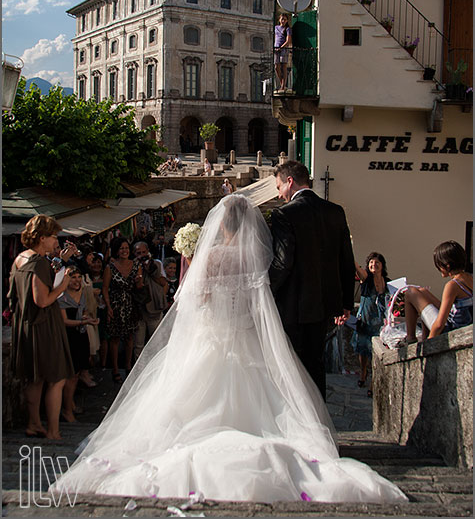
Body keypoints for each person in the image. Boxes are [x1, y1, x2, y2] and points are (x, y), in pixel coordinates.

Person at [51, 195, 407, 505]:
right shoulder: (257, 259)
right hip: (247, 336)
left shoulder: (212, 258)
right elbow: (261, 305)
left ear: (218, 225)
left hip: (211, 336)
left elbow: (195, 302)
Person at [268, 160, 355, 400]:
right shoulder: (335, 211)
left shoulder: (284, 214)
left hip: (293, 304)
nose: (279, 194)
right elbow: (346, 260)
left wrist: (265, 288)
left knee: (292, 365)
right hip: (326, 304)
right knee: (316, 363)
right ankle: (318, 418)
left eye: (278, 187)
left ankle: (298, 422)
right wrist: (346, 302)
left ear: (289, 181)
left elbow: (283, 263)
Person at [7, 214, 75, 440]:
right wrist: (63, 285)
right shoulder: (37, 262)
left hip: (25, 324)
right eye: (54, 236)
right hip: (43, 325)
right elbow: (42, 300)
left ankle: (34, 424)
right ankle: (53, 431)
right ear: (42, 238)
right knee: (57, 378)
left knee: (34, 377)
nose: (56, 240)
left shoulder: (19, 259)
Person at [404, 240, 473, 342]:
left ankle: (410, 338)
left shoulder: (453, 285)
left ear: (447, 265)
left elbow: (440, 324)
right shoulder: (470, 278)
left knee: (410, 292)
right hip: (463, 324)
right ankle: (423, 336)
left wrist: (429, 342)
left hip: (452, 331)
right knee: (423, 291)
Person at [58, 267, 99, 422]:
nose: (76, 280)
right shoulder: (62, 297)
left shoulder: (82, 293)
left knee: (76, 374)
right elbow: (64, 321)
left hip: (81, 335)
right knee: (70, 375)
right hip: (69, 337)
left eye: (78, 277)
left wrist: (88, 319)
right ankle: (67, 409)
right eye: (72, 277)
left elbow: (82, 312)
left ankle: (70, 404)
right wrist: (84, 321)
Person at [102, 237, 141, 383]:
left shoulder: (136, 264)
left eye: (126, 248)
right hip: (116, 304)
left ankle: (128, 366)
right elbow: (105, 288)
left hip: (130, 304)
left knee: (130, 337)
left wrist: (139, 281)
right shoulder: (110, 267)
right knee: (115, 338)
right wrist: (109, 306)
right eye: (121, 248)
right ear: (117, 251)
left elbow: (139, 287)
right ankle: (116, 369)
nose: (124, 251)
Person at [353, 253, 390, 397]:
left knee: (376, 352)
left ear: (382, 265)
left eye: (377, 262)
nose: (374, 265)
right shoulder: (366, 279)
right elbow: (356, 267)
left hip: (379, 321)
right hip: (365, 319)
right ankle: (363, 372)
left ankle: (373, 382)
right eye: (371, 263)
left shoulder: (387, 282)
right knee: (362, 349)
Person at [133, 242, 168, 360]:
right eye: (139, 253)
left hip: (154, 308)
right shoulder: (133, 266)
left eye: (144, 252)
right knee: (138, 344)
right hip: (139, 310)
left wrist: (150, 270)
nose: (142, 255)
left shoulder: (157, 264)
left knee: (157, 341)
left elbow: (163, 282)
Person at [274, 12, 292, 93]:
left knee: (283, 66)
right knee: (276, 67)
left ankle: (283, 85)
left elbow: (288, 41)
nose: (283, 21)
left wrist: (281, 48)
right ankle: (282, 83)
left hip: (283, 49)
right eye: (282, 19)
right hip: (276, 48)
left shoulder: (288, 29)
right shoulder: (276, 28)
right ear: (279, 20)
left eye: (285, 19)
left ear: (287, 21)